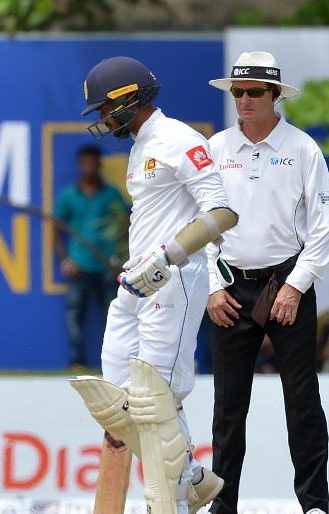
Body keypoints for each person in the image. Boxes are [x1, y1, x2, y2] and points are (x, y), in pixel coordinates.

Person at [69, 56, 237, 514]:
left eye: (106, 108)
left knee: (154, 397)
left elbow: (221, 213)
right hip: (136, 282)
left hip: (174, 279)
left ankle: (173, 502)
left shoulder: (179, 139)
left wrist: (167, 259)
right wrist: (141, 269)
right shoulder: (142, 144)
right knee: (115, 396)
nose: (103, 119)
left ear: (129, 100)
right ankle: (192, 479)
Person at [205, 51, 329, 514]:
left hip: (286, 281)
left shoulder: (302, 148)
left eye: (254, 92)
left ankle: (315, 506)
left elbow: (326, 223)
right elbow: (201, 223)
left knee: (302, 401)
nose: (243, 100)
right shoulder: (217, 148)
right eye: (238, 91)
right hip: (230, 285)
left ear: (275, 95)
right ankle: (223, 507)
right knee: (227, 407)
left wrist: (296, 284)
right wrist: (211, 285)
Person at [53, 144, 128, 368]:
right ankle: (76, 362)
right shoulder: (69, 195)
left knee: (113, 316)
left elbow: (125, 226)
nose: (89, 167)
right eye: (85, 162)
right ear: (79, 164)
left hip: (107, 265)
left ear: (99, 164)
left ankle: (113, 362)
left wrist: (119, 258)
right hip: (80, 266)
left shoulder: (112, 194)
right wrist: (66, 260)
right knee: (75, 315)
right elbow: (56, 228)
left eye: (93, 162)